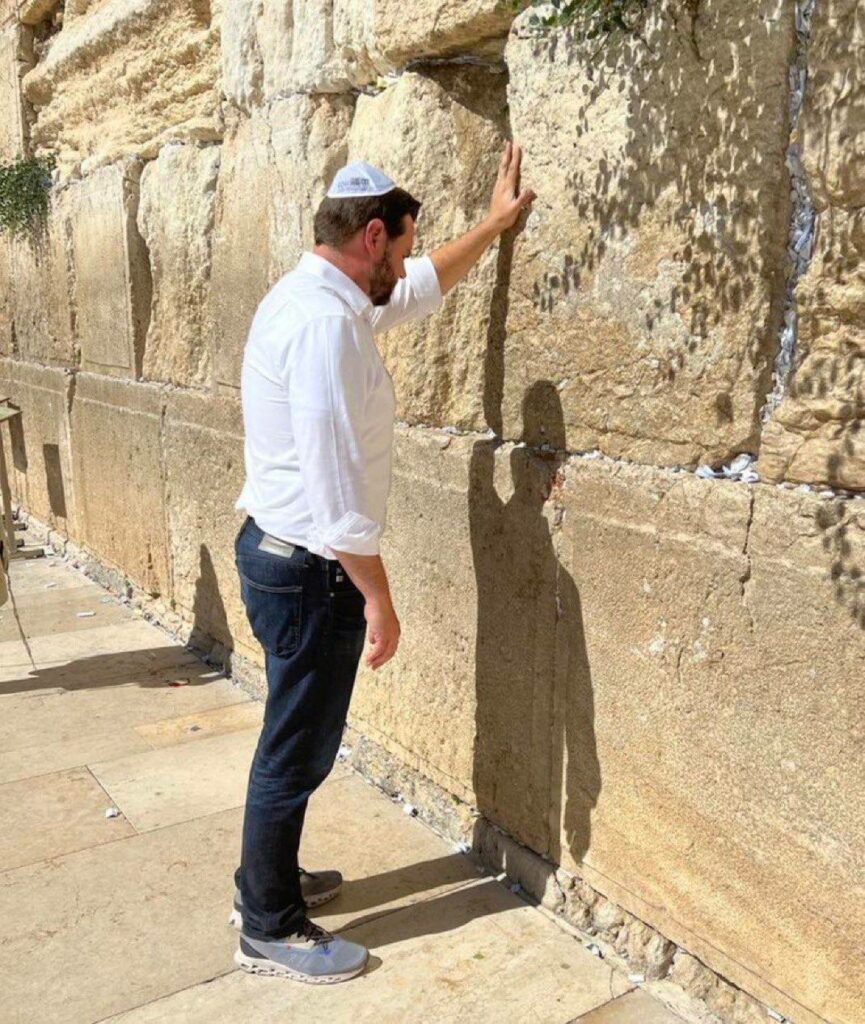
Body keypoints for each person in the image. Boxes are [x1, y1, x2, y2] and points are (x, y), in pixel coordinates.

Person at [232, 143, 535, 984]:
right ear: (372, 235)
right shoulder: (327, 324)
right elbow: (336, 494)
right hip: (309, 566)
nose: (400, 264)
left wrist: (490, 227)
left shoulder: (317, 295)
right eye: (397, 246)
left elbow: (415, 289)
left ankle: (266, 881)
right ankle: (267, 926)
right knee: (295, 750)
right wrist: (379, 599)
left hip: (279, 554)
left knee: (289, 741)